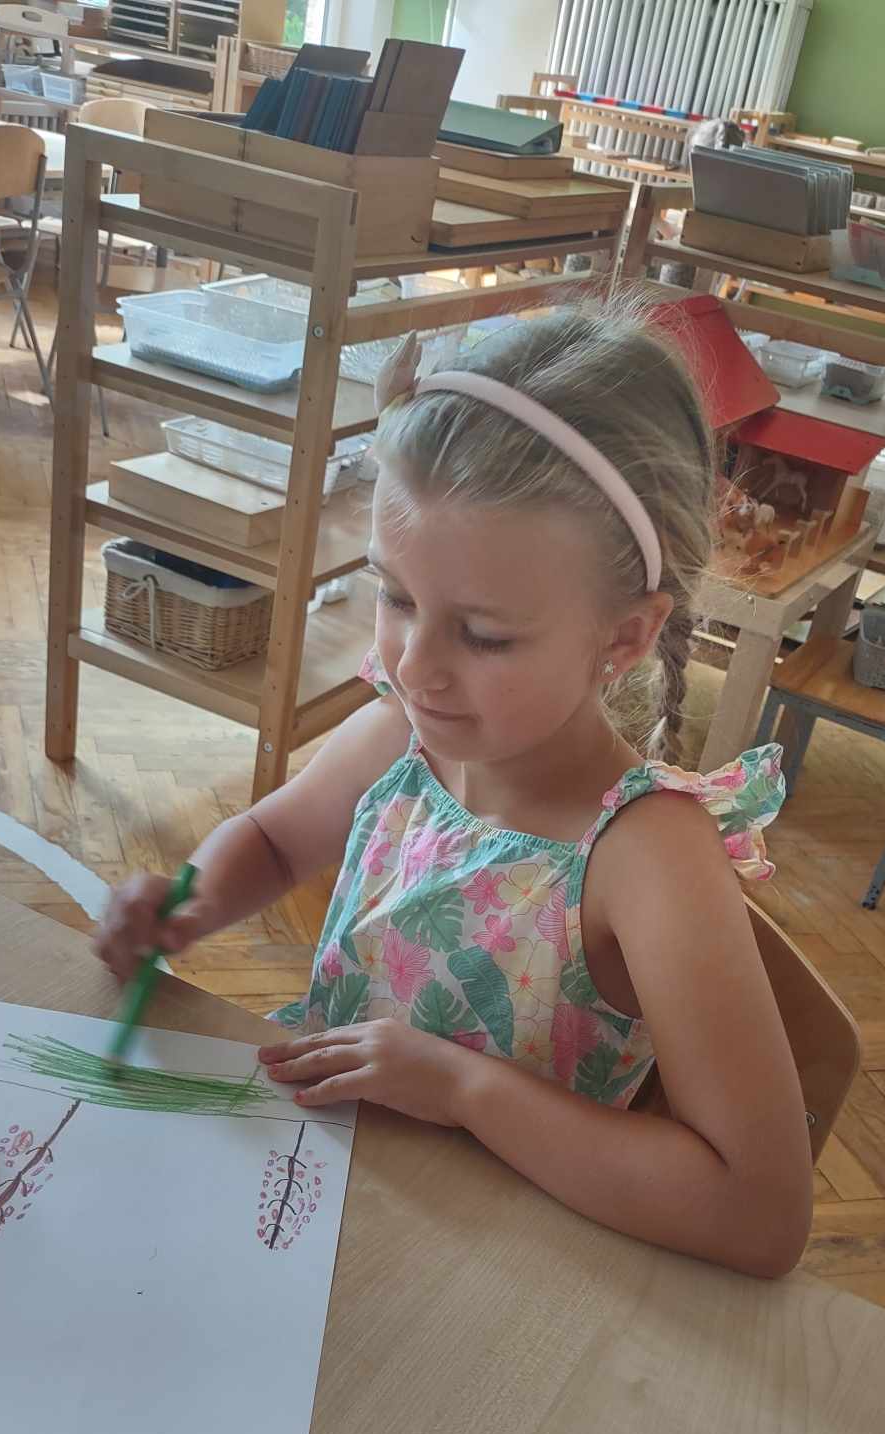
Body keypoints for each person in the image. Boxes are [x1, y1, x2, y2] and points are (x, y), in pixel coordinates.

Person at [96, 310, 814, 1278]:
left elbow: (760, 1212)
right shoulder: (402, 734)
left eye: (483, 635)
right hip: (310, 1209)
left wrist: (464, 1090)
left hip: (491, 1275)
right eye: (396, 597)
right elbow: (273, 841)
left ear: (624, 637)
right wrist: (188, 901)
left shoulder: (647, 859)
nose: (414, 665)